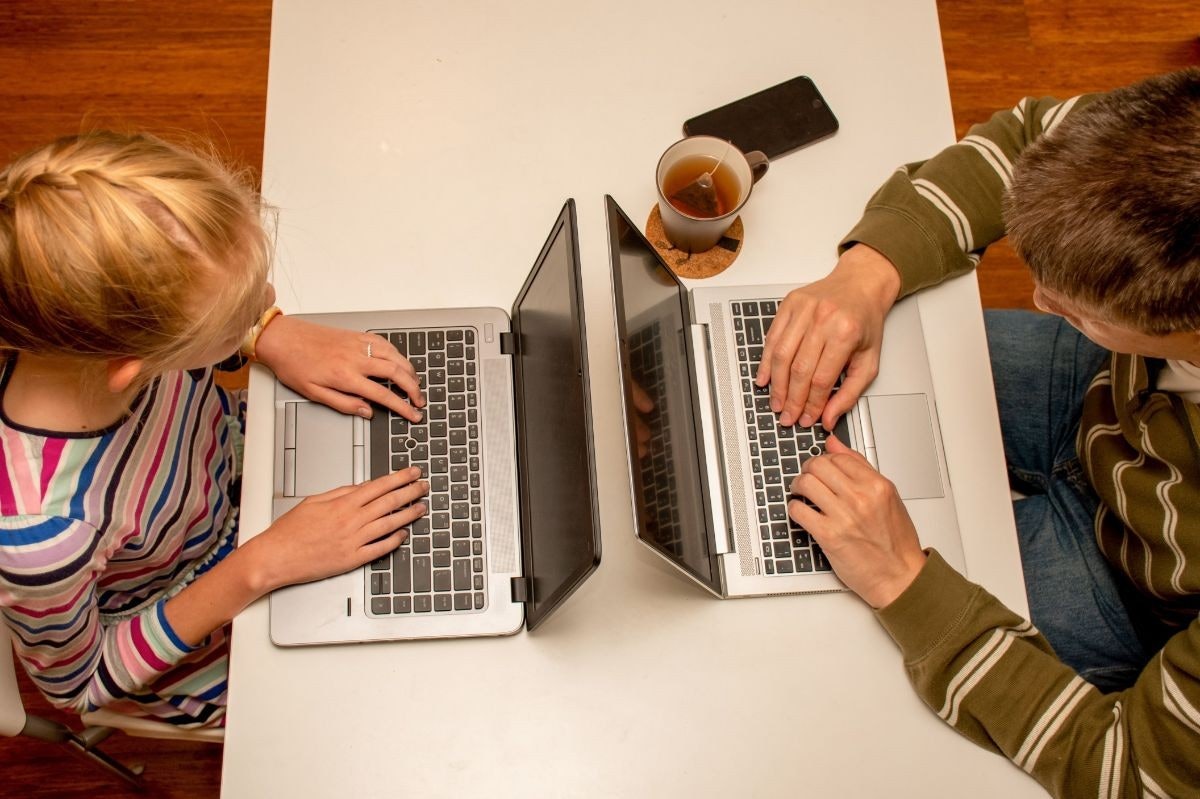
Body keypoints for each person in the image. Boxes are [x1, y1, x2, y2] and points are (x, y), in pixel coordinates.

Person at [760, 67, 1200, 796]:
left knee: (832, 647)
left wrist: (905, 579)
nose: (1037, 301)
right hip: (1101, 401)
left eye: (1074, 310)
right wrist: (871, 269)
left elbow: (1132, 773)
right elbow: (1031, 139)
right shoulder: (1174, 136)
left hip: (1134, 592)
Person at [0, 131, 431, 728]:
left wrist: (266, 333)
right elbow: (82, 685)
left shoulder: (85, 339)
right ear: (134, 364)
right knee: (390, 701)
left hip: (237, 471)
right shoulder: (42, 536)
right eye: (236, 315)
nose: (271, 300)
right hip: (196, 618)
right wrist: (265, 563)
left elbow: (195, 349)